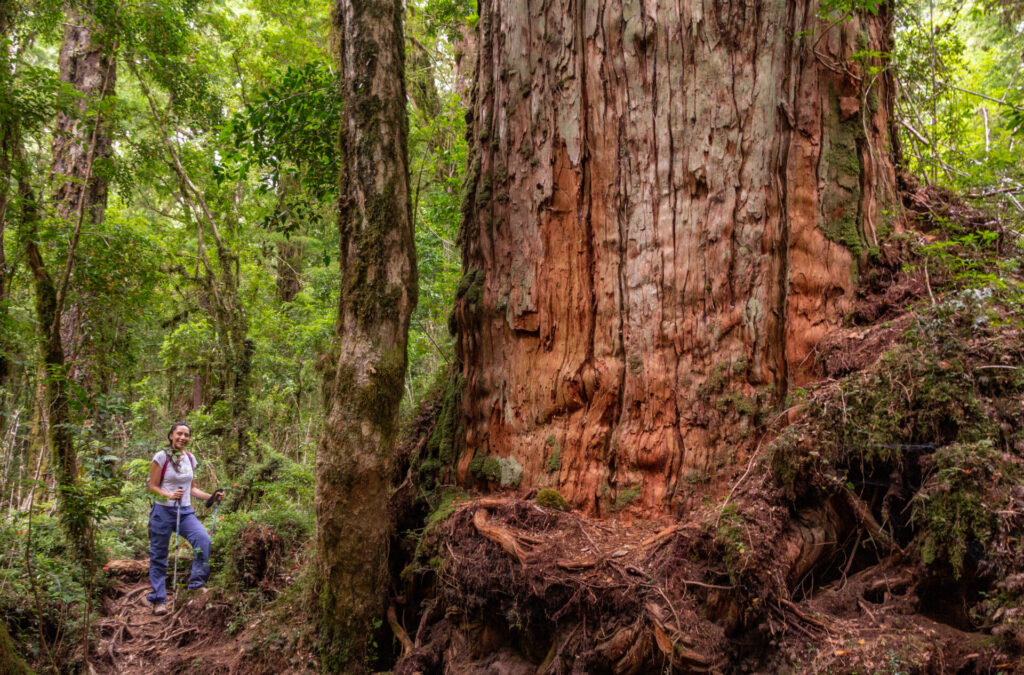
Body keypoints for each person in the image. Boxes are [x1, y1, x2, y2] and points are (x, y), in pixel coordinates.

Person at [144, 422, 223, 614]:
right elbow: (152, 486)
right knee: (159, 555)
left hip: (185, 512)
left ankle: (196, 584)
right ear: (171, 435)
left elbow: (192, 488)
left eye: (186, 435)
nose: (183, 437)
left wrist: (212, 496)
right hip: (163, 512)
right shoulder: (161, 457)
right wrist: (169, 495)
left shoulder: (190, 458)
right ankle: (159, 600)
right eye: (179, 433)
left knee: (203, 541)